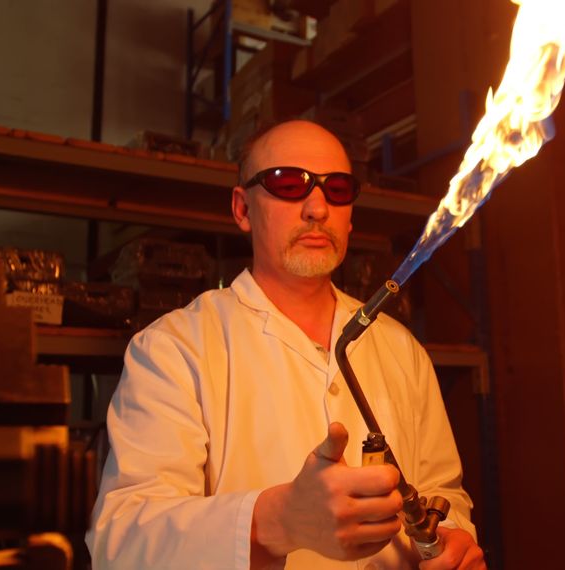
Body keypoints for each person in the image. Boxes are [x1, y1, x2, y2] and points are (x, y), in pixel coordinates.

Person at [86, 120, 485, 569]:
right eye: (288, 183)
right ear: (242, 208)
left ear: (351, 215)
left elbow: (444, 492)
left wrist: (453, 542)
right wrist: (276, 522)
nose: (317, 207)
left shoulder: (401, 349)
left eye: (336, 189)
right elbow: (121, 543)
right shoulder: (175, 350)